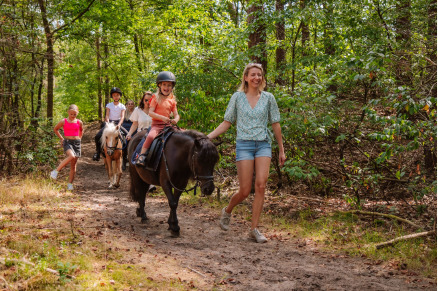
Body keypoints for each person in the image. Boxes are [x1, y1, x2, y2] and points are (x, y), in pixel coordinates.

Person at [207, 63, 286, 243]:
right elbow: (227, 122)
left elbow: (275, 124)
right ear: (245, 77)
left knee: (260, 185)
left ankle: (254, 229)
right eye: (253, 75)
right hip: (244, 145)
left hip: (263, 144)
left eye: (259, 75)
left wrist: (281, 149)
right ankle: (227, 211)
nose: (256, 78)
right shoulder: (237, 97)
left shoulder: (268, 98)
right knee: (244, 191)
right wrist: (207, 137)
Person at [135, 72, 180, 167]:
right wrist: (162, 118)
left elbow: (176, 115)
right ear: (159, 85)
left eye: (169, 85)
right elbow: (150, 113)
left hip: (168, 126)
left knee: (182, 134)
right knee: (150, 137)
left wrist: (176, 119)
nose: (166, 87)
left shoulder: (172, 101)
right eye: (164, 85)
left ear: (172, 87)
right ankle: (142, 156)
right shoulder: (155, 98)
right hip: (156, 125)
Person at [50, 104, 84, 190]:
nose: (73, 116)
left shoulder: (79, 122)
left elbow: (81, 130)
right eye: (71, 114)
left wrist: (79, 139)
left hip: (77, 143)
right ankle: (55, 171)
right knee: (71, 156)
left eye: (75, 114)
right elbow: (55, 129)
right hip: (67, 142)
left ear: (77, 113)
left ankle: (70, 184)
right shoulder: (63, 121)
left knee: (73, 165)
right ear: (68, 112)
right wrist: (61, 139)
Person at [92, 87, 128, 161]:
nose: (116, 96)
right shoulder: (109, 105)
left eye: (117, 95)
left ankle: (125, 156)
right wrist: (107, 123)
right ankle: (97, 153)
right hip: (109, 123)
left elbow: (122, 117)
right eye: (114, 95)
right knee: (97, 136)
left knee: (127, 136)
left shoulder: (122, 106)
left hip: (118, 123)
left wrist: (119, 125)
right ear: (112, 96)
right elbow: (107, 115)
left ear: (120, 96)